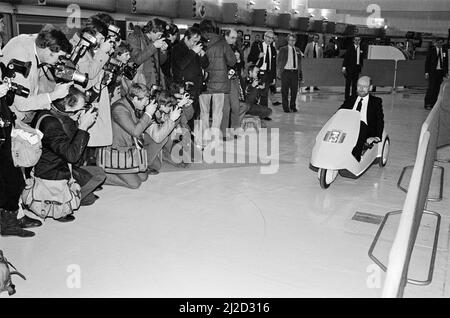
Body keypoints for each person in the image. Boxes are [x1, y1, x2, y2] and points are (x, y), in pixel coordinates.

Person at [32, 87, 104, 222]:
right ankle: (57, 202)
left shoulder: (53, 113)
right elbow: (73, 157)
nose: (81, 112)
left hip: (60, 165)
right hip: (51, 173)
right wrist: (83, 127)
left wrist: (76, 123)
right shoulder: (52, 123)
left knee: (97, 174)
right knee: (98, 176)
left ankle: (73, 194)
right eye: (79, 109)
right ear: (66, 105)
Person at [105, 84, 181, 189]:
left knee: (143, 176)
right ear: (135, 98)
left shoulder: (135, 105)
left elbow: (153, 128)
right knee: (135, 184)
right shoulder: (119, 108)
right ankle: (102, 176)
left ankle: (131, 168)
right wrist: (148, 114)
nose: (147, 103)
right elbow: (135, 131)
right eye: (145, 100)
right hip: (117, 151)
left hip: (132, 148)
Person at [0, 27, 73, 123]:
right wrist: (54, 95)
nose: (59, 62)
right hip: (11, 116)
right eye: (59, 57)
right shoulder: (22, 61)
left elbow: (40, 69)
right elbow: (22, 104)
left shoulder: (36, 42)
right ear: (47, 50)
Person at [0, 77, 40, 237]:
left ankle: (12, 219)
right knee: (9, 180)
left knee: (14, 179)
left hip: (5, 129)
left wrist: (7, 88)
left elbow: (9, 100)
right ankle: (9, 222)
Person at [198, 19, 236, 146]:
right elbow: (232, 62)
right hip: (219, 83)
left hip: (204, 82)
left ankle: (204, 140)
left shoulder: (199, 42)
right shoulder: (222, 42)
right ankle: (214, 140)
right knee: (217, 113)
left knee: (204, 112)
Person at [171, 26, 209, 131]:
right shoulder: (177, 48)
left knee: (195, 114)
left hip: (196, 87)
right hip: (184, 87)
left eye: (197, 41)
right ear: (186, 38)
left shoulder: (195, 49)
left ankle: (192, 135)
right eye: (193, 41)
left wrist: (202, 55)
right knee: (186, 115)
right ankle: (185, 137)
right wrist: (193, 52)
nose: (195, 43)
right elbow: (181, 65)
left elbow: (205, 65)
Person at [339, 76, 384, 162]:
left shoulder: (376, 102)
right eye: (359, 86)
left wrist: (377, 137)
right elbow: (340, 112)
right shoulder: (350, 99)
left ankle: (356, 157)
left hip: (366, 130)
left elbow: (379, 120)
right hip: (348, 128)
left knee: (361, 125)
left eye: (365, 86)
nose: (361, 89)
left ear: (370, 87)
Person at [128, 18, 169, 89]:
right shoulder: (135, 37)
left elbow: (160, 62)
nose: (159, 37)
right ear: (151, 31)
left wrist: (163, 51)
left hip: (155, 82)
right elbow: (137, 59)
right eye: (158, 35)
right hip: (142, 82)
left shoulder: (154, 41)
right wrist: (153, 46)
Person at [221, 28, 245, 139]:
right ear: (226, 36)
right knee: (225, 109)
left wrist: (239, 60)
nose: (234, 40)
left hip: (234, 80)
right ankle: (224, 132)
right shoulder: (220, 47)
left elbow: (241, 66)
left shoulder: (236, 48)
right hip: (224, 80)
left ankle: (235, 130)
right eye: (232, 38)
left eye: (236, 38)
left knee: (236, 107)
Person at [247, 31, 276, 116]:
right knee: (255, 93)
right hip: (258, 73)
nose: (270, 39)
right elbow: (250, 58)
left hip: (268, 73)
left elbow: (274, 64)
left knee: (265, 94)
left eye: (272, 38)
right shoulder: (257, 46)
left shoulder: (273, 49)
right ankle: (252, 112)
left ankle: (264, 114)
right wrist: (257, 56)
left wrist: (273, 77)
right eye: (268, 37)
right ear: (264, 37)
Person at [277, 33, 302, 113]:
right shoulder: (283, 49)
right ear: (288, 40)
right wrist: (279, 72)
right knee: (285, 91)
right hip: (286, 72)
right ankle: (285, 107)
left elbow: (299, 63)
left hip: (294, 72)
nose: (292, 42)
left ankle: (293, 106)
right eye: (291, 40)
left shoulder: (298, 50)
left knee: (294, 91)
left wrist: (300, 73)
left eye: (294, 40)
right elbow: (279, 61)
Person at [424, 38, 448, 110]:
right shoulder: (431, 50)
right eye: (439, 42)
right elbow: (427, 62)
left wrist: (445, 72)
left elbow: (446, 62)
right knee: (431, 88)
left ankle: (434, 104)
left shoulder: (444, 51)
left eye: (441, 43)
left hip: (440, 72)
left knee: (437, 89)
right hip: (432, 72)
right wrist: (426, 72)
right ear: (436, 43)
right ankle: (428, 103)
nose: (440, 44)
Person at [342, 36, 364, 100]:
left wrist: (361, 66)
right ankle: (347, 97)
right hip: (349, 68)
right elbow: (346, 58)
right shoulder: (350, 48)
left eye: (359, 40)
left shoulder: (361, 48)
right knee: (348, 83)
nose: (357, 41)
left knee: (355, 83)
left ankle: (354, 96)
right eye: (356, 40)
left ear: (360, 41)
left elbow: (361, 58)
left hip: (357, 68)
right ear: (353, 40)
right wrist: (344, 68)